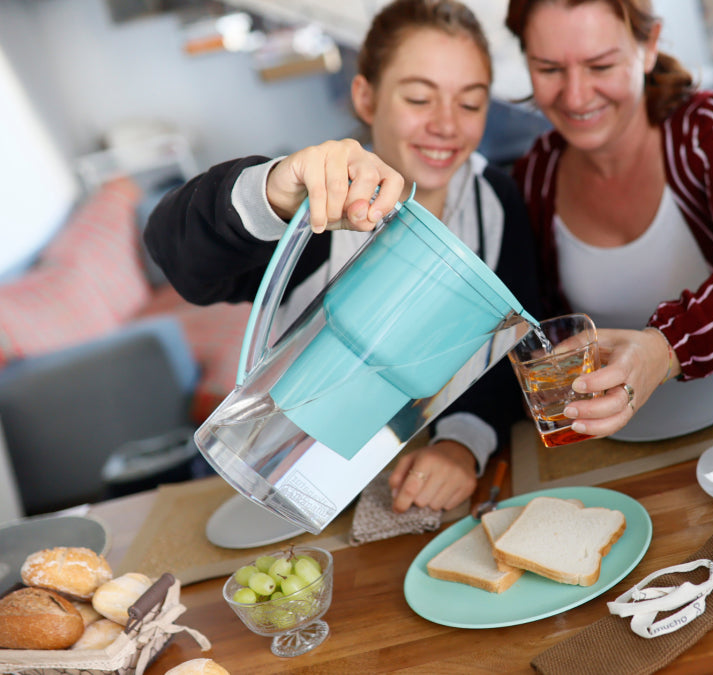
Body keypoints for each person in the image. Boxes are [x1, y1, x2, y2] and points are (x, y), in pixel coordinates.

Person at [145, 0, 541, 514]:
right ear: (366, 97)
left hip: (426, 497)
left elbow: (506, 355)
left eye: (470, 103)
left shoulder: (497, 201)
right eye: (420, 97)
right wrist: (273, 193)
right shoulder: (318, 201)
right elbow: (177, 254)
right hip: (278, 481)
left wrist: (462, 442)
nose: (447, 124)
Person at [504, 0, 713, 439]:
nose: (576, 95)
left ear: (648, 47)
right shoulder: (535, 177)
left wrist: (662, 350)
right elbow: (540, 325)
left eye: (601, 66)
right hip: (635, 437)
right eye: (548, 69)